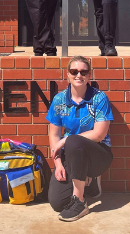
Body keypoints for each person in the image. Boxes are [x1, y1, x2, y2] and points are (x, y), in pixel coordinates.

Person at [46, 56, 113, 222]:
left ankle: (80, 201)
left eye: (83, 72)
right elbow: (54, 134)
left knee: (73, 140)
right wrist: (58, 163)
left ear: (89, 75)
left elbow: (99, 134)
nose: (78, 75)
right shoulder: (59, 100)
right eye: (74, 71)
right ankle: (87, 183)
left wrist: (65, 141)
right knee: (57, 202)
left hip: (99, 154)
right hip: (72, 154)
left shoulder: (99, 98)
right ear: (67, 74)